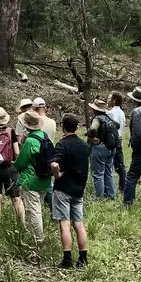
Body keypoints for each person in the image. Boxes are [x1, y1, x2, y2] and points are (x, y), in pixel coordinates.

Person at [49, 114, 90, 268]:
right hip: (79, 189)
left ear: (63, 127)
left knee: (65, 224)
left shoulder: (62, 144)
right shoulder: (85, 146)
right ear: (77, 127)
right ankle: (83, 257)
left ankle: (67, 258)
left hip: (63, 189)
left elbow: (54, 164)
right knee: (78, 223)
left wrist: (57, 175)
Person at [13, 111, 52, 245]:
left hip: (31, 180)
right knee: (36, 207)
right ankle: (33, 235)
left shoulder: (30, 141)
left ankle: (38, 239)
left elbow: (21, 162)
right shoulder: (44, 136)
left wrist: (14, 167)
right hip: (45, 179)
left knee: (34, 211)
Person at [86, 99, 120, 200]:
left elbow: (93, 129)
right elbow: (117, 126)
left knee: (98, 174)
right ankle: (111, 194)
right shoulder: (108, 117)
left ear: (94, 109)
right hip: (111, 147)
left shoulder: (97, 119)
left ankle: (99, 197)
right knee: (108, 172)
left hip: (100, 147)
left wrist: (91, 136)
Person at [107, 91, 128, 193]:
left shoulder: (111, 113)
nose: (107, 100)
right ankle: (122, 185)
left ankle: (118, 187)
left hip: (112, 140)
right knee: (120, 164)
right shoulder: (122, 113)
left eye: (109, 98)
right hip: (119, 139)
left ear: (114, 100)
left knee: (111, 164)